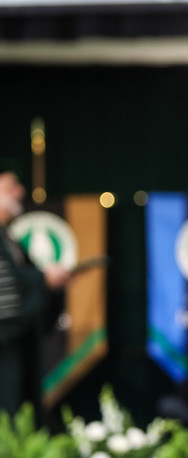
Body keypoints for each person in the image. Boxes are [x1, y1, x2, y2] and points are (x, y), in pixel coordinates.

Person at [0, 163, 72, 423]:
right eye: (11, 187)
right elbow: (7, 306)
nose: (20, 192)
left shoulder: (10, 239)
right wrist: (43, 279)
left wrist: (49, 284)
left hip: (19, 353)